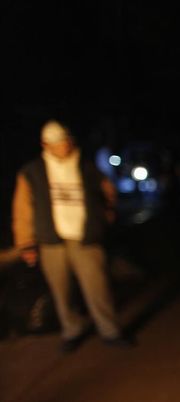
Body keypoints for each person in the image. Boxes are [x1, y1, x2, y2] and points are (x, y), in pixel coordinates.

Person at [11, 119, 132, 352]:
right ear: (45, 145)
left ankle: (111, 331)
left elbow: (109, 193)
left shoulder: (87, 167)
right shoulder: (32, 172)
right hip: (51, 241)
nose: (62, 146)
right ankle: (72, 330)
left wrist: (104, 218)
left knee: (98, 288)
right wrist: (26, 243)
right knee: (61, 291)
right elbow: (23, 209)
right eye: (56, 143)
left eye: (65, 141)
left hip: (85, 237)